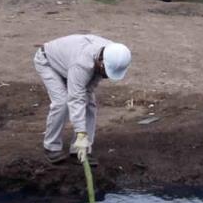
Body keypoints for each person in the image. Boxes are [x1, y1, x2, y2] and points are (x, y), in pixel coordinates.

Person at [34, 34, 131, 164]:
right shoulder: (82, 64)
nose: (106, 76)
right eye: (105, 72)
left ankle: (80, 149)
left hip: (70, 64)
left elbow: (87, 90)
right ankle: (51, 146)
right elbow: (76, 98)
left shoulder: (114, 54)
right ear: (101, 61)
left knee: (89, 103)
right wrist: (80, 132)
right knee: (62, 102)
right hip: (48, 62)